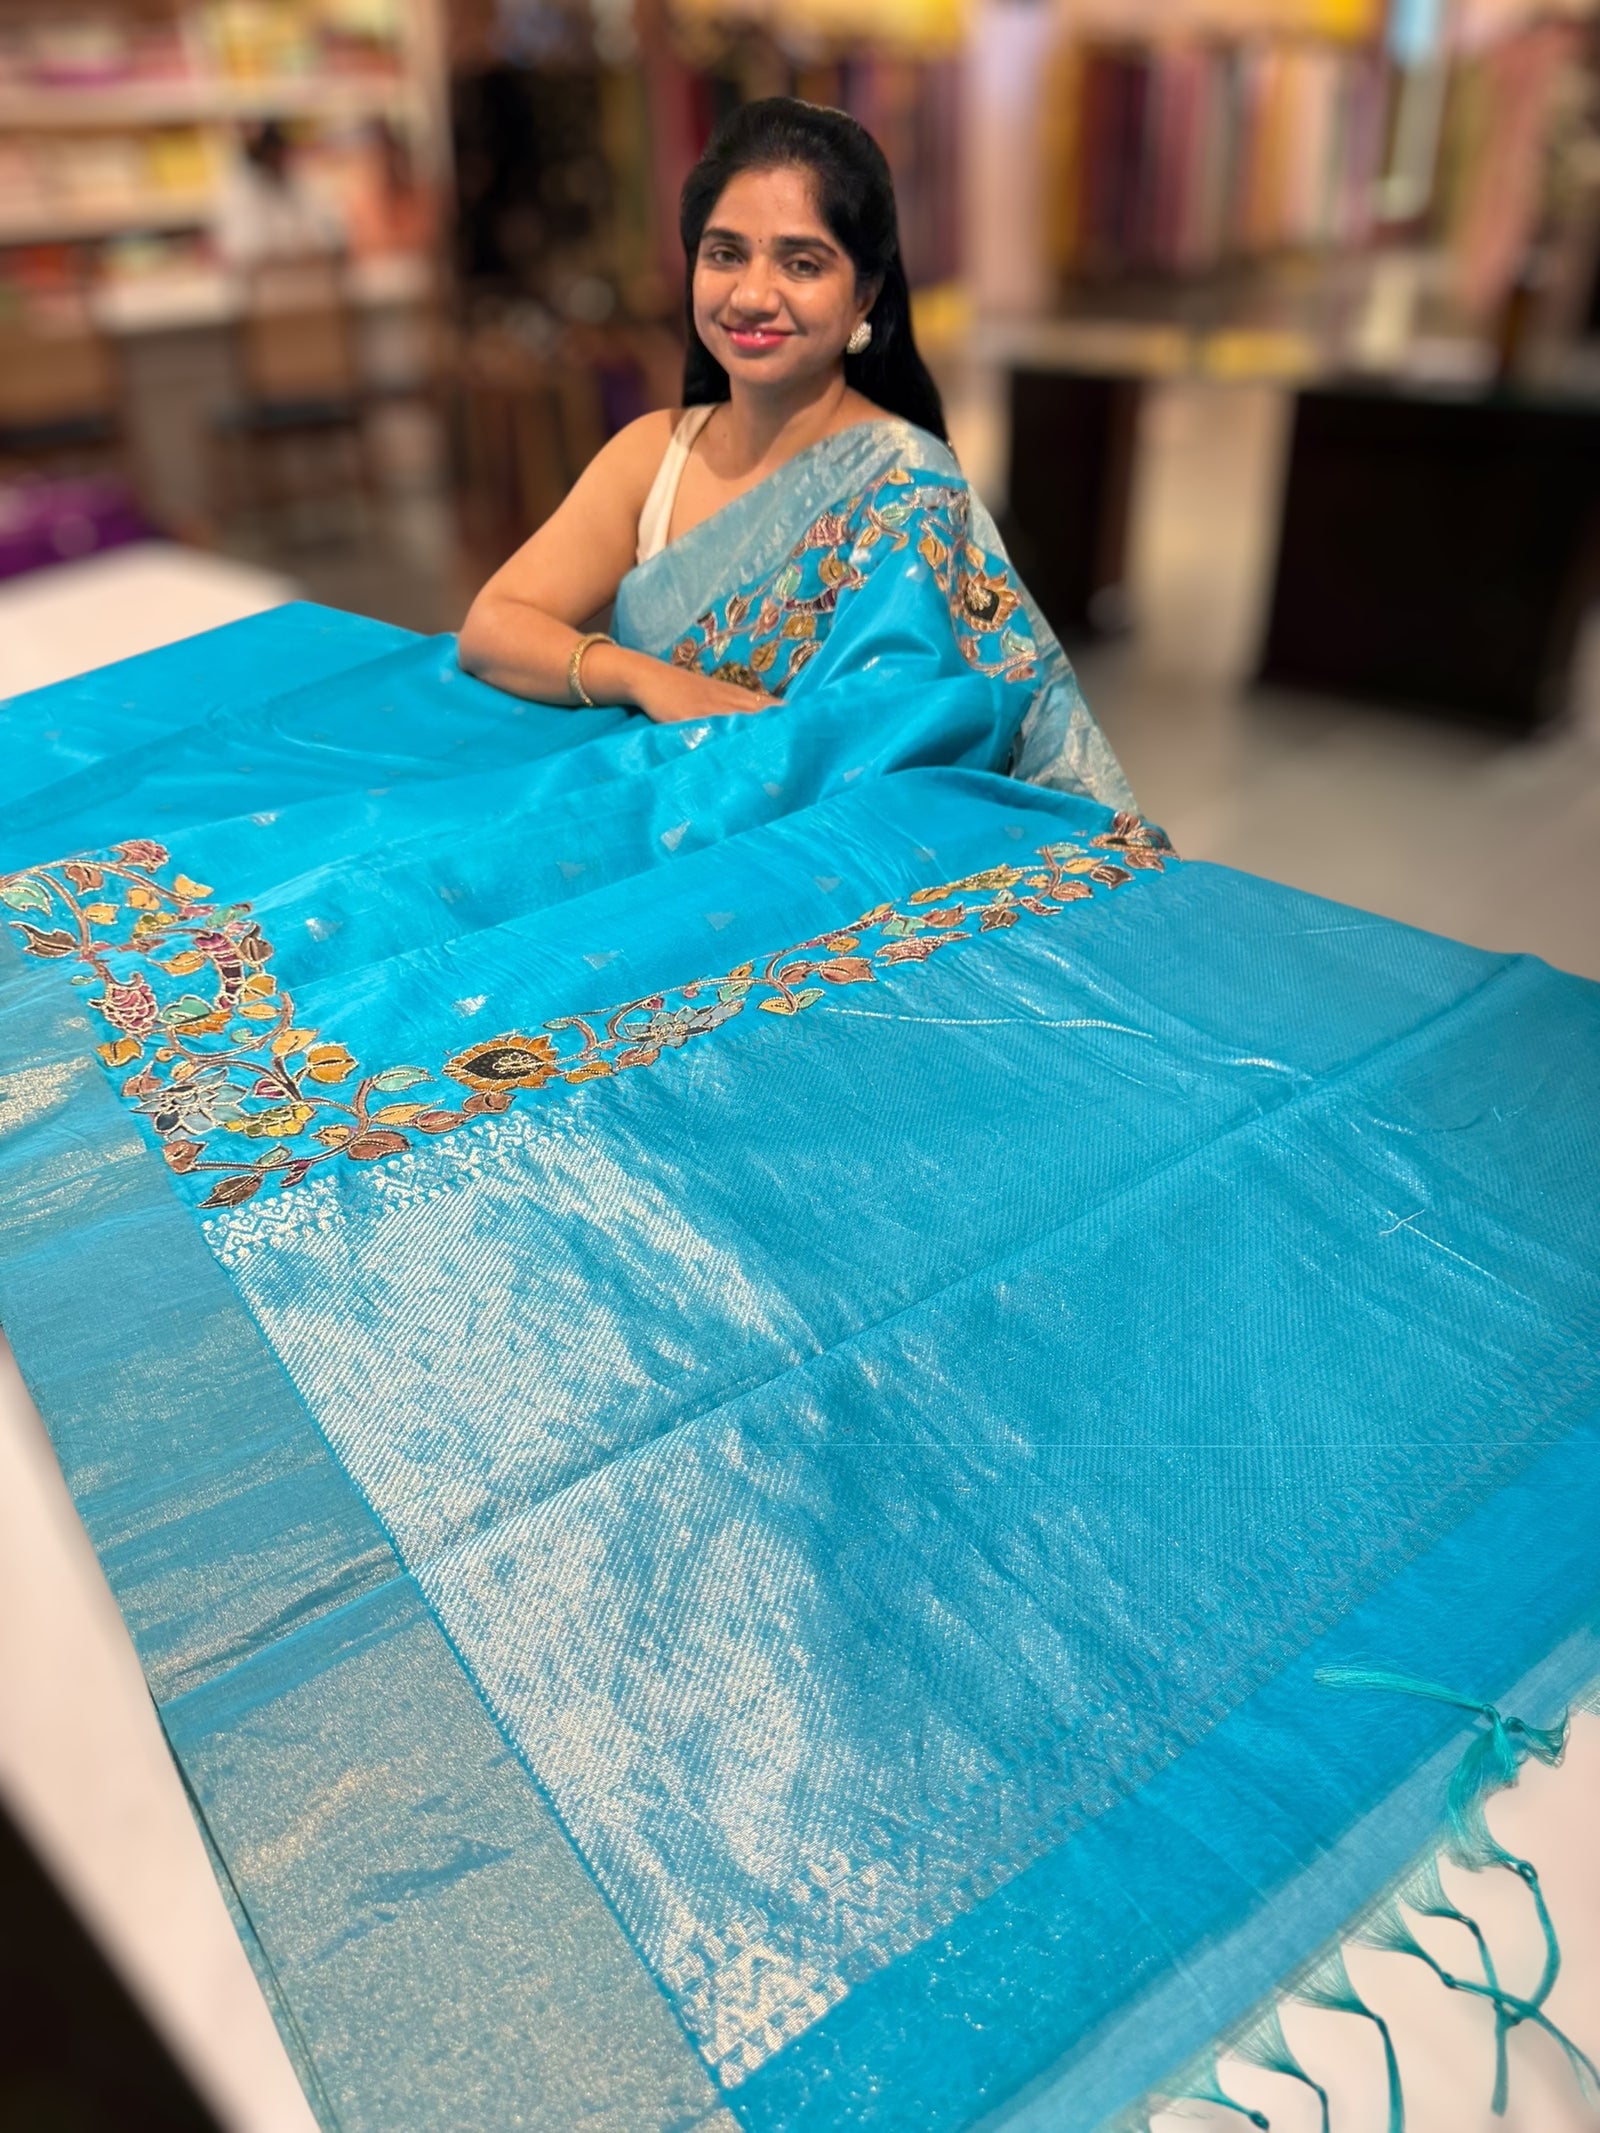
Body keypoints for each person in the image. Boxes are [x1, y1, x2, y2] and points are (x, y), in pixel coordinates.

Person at [457, 97, 1128, 806]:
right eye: (725, 254)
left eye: (801, 264)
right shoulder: (655, 455)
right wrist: (643, 678)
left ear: (865, 295)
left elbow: (904, 750)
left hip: (819, 846)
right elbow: (493, 625)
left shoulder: (909, 489)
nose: (752, 294)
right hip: (646, 811)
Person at [213, 119, 346, 272]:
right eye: (270, 154)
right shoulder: (241, 191)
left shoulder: (301, 182)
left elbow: (328, 235)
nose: (276, 159)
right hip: (267, 274)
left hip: (309, 271)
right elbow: (242, 248)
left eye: (278, 154)